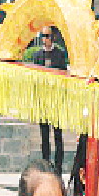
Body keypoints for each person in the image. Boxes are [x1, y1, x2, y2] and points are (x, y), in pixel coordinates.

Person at [33, 27, 67, 174]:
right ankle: (46, 164)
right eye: (43, 36)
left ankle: (58, 167)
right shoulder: (37, 55)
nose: (45, 39)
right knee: (44, 135)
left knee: (58, 135)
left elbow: (64, 75)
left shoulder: (59, 54)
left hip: (56, 99)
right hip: (43, 100)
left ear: (53, 37)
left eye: (47, 36)